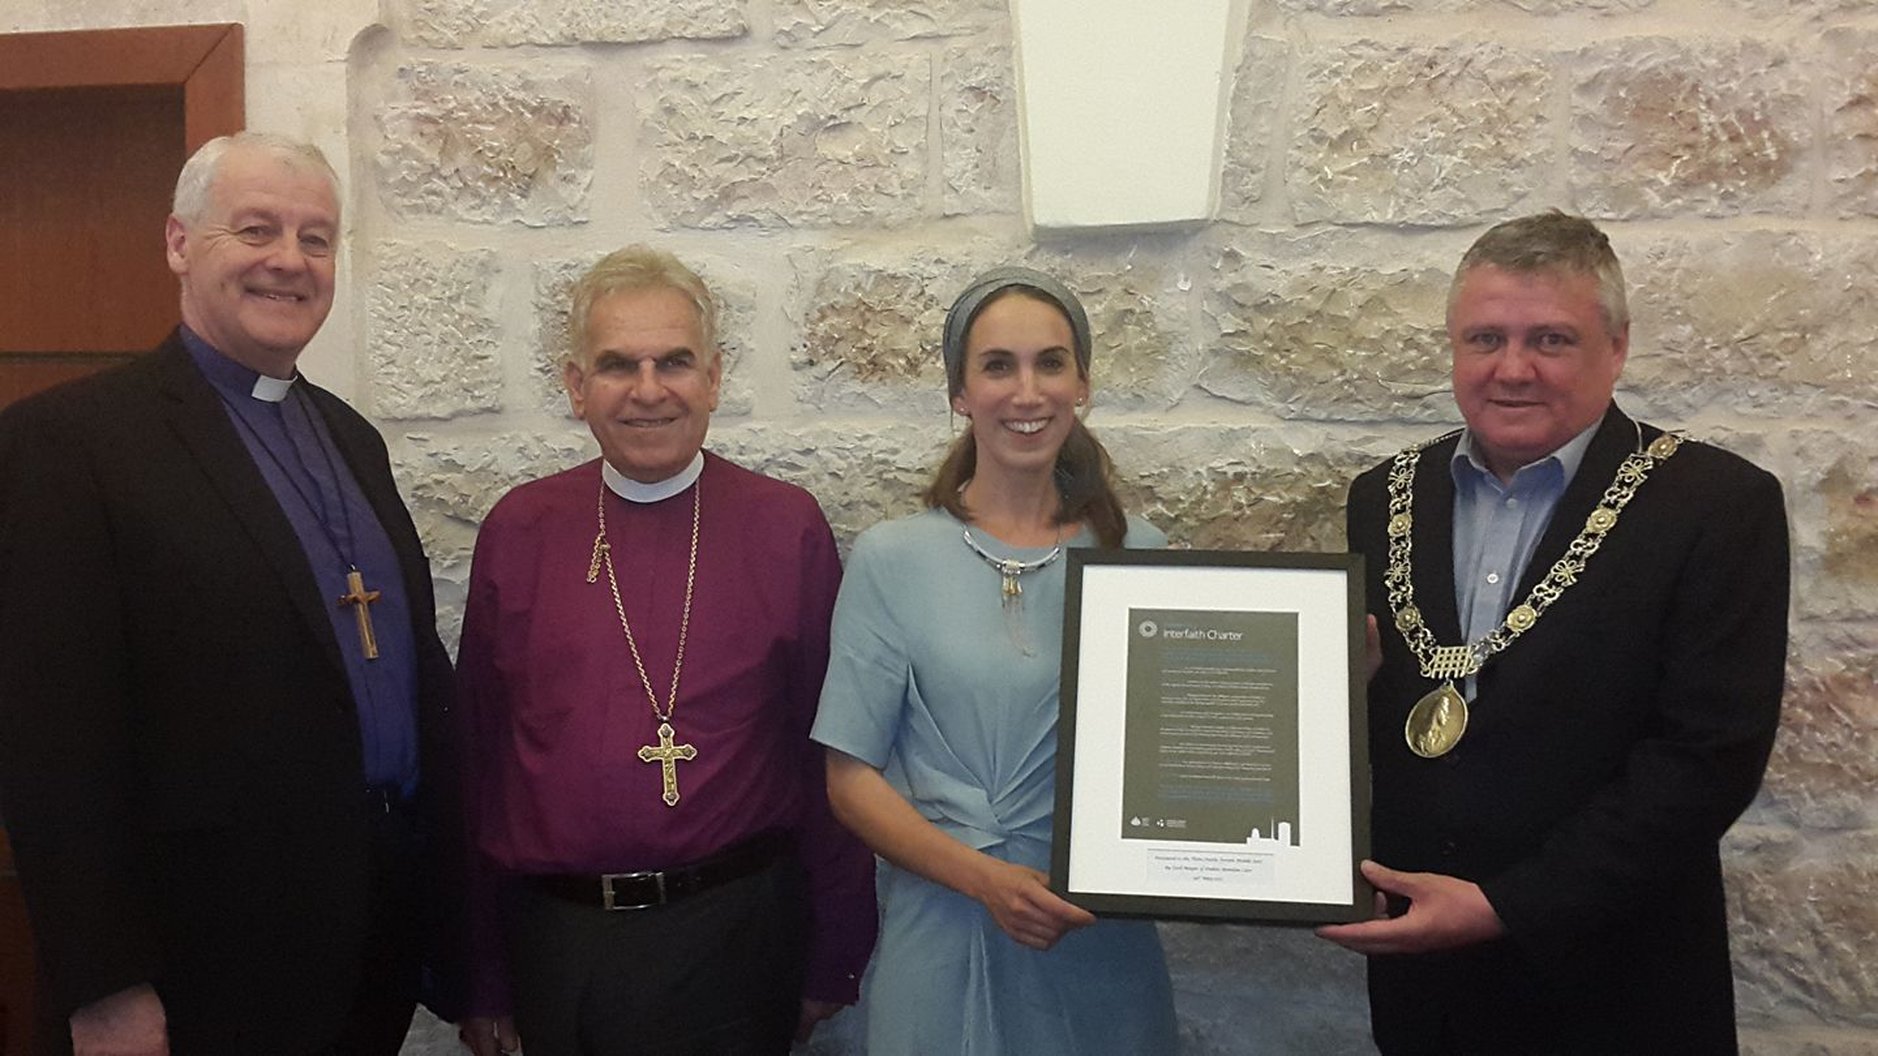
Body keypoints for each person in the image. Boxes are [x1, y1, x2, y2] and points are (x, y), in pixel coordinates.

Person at [0, 132, 459, 1056]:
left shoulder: (351, 439)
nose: (289, 261)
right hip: (194, 962)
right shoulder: (68, 446)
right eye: (255, 230)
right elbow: (49, 741)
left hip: (366, 935)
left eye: (316, 238)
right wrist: (105, 982)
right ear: (179, 242)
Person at [1320, 211, 1789, 1054]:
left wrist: (1508, 908)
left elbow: (1706, 760)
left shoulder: (1717, 507)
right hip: (1427, 989)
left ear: (1616, 347)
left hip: (1621, 986)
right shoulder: (1382, 497)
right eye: (1485, 337)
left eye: (1552, 340)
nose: (1513, 369)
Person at [454, 246, 877, 1056]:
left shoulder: (783, 527)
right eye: (617, 365)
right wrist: (482, 974)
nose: (649, 390)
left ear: (713, 378)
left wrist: (834, 954)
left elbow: (830, 757)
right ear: (577, 387)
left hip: (735, 936)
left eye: (674, 362)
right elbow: (479, 760)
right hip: (558, 944)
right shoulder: (521, 529)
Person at [812, 267, 1179, 1054]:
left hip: (1095, 936)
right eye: (997, 365)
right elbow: (849, 778)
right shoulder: (892, 558)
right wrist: (985, 881)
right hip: (945, 925)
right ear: (959, 393)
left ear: (1082, 383)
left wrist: (1321, 684)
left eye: (1050, 363)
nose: (1027, 391)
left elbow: (1183, 747)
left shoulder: (1141, 556)